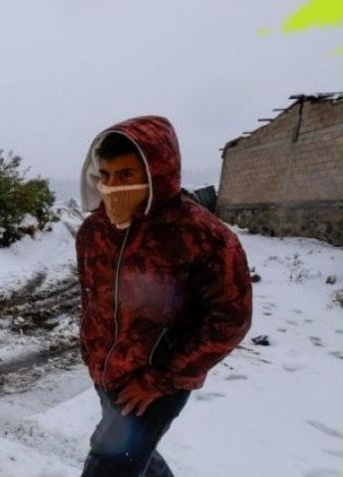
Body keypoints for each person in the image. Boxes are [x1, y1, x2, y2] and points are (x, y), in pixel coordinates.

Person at [75, 116, 253, 477]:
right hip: (106, 374)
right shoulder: (94, 231)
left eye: (126, 175)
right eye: (106, 175)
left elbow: (230, 319)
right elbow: (92, 298)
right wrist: (92, 353)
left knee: (109, 465)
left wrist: (160, 379)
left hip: (157, 383)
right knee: (139, 455)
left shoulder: (202, 236)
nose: (112, 187)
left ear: (158, 172)